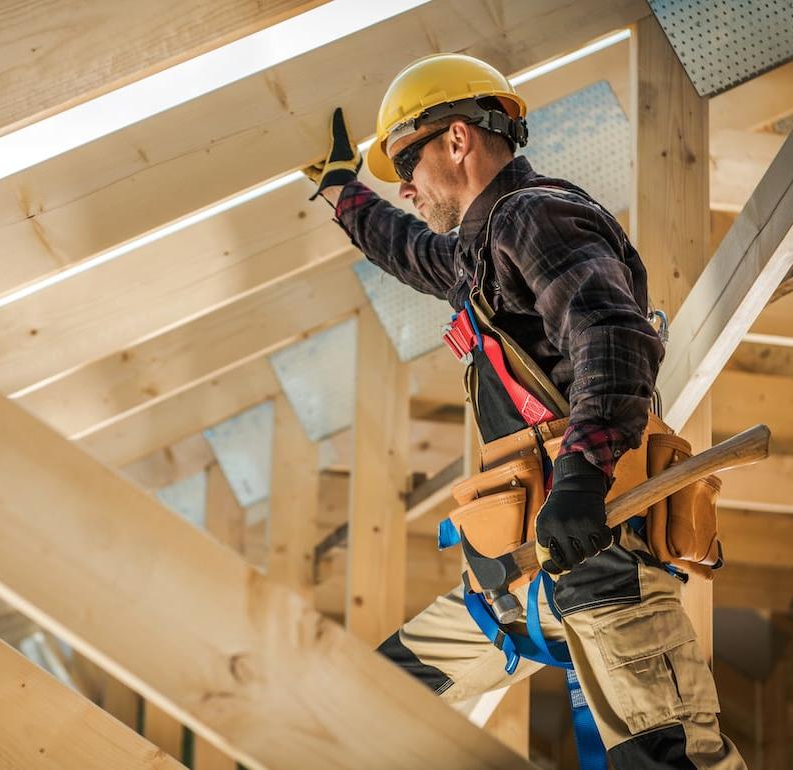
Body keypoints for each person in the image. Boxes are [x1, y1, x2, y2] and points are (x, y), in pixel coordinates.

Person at [304, 53, 744, 768]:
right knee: (364, 700)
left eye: (405, 163)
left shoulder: (537, 216)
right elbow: (411, 251)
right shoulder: (479, 251)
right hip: (519, 581)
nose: (407, 188)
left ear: (456, 139)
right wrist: (340, 191)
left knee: (670, 761)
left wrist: (579, 480)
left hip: (601, 565)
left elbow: (612, 335)